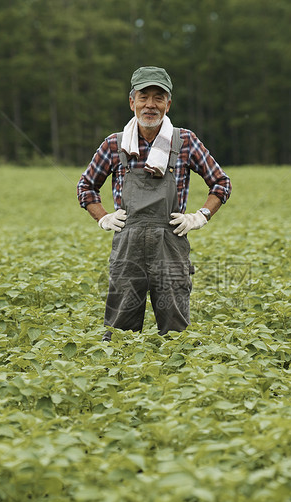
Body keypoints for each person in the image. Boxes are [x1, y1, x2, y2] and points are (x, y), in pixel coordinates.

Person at [76, 66, 232, 340]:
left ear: (168, 103)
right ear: (131, 101)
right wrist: (103, 217)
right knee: (119, 333)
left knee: (175, 333)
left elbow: (221, 183)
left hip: (170, 244)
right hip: (128, 247)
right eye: (143, 96)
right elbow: (86, 187)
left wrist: (200, 216)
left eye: (158, 97)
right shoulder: (115, 145)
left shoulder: (186, 142)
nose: (150, 105)